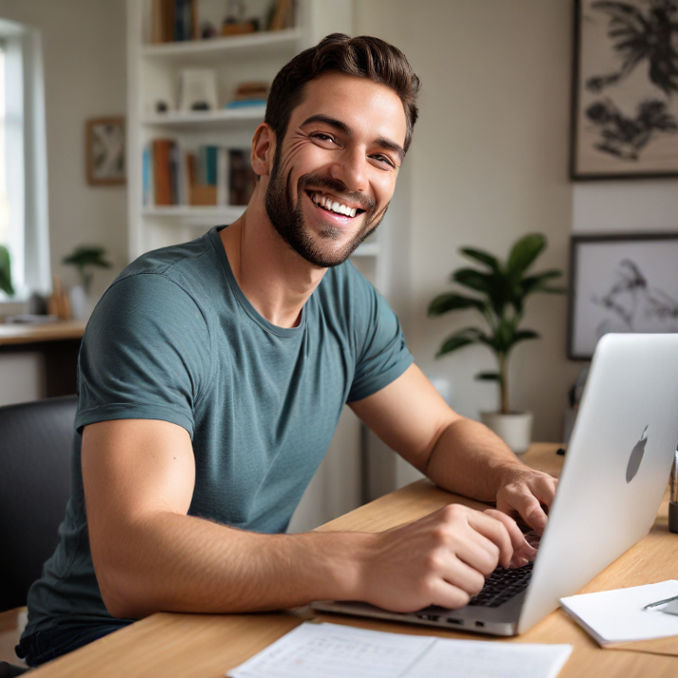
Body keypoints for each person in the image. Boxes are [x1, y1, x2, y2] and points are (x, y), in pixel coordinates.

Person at [17, 33, 557, 666]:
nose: (355, 175)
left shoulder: (347, 301)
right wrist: (363, 559)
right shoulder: (159, 304)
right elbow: (133, 563)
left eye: (382, 157)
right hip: (103, 641)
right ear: (266, 149)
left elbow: (437, 434)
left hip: (242, 620)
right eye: (327, 137)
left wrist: (509, 476)